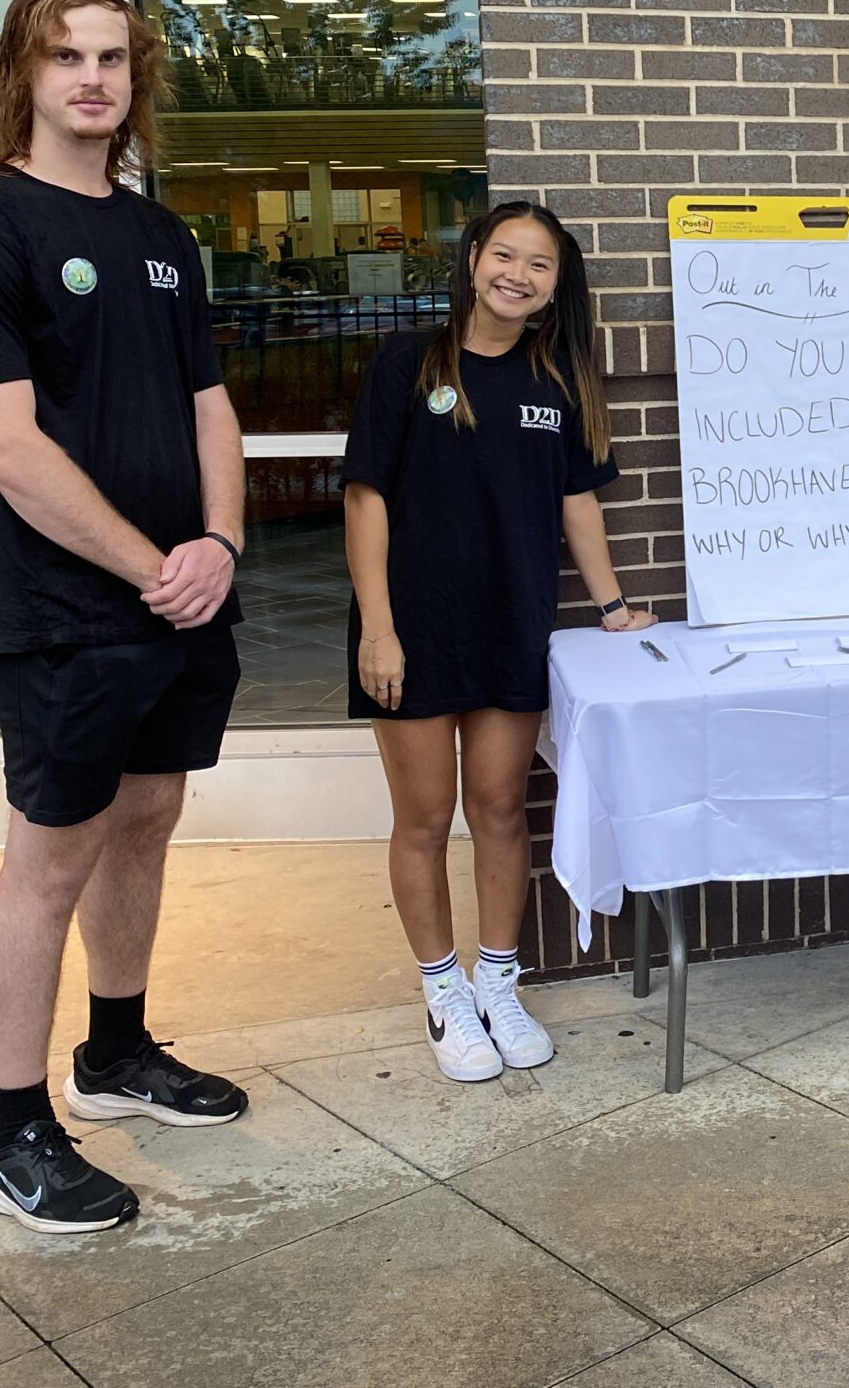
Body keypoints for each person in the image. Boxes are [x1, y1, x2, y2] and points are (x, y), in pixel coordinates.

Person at [0, 0, 250, 1235]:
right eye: (67, 57)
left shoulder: (160, 236)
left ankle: (114, 1052)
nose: (93, 79)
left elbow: (207, 405)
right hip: (64, 605)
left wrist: (216, 540)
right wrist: (148, 563)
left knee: (150, 816)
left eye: (112, 58)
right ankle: (8, 1132)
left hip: (181, 597)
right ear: (27, 72)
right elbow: (4, 442)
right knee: (47, 859)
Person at [342, 201, 654, 1082]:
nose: (517, 273)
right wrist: (379, 628)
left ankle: (499, 983)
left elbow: (577, 505)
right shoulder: (407, 363)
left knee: (501, 809)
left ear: (557, 288)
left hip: (512, 624)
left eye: (540, 265)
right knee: (426, 817)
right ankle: (444, 993)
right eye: (504, 254)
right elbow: (365, 497)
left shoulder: (557, 382)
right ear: (473, 258)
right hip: (410, 631)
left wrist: (614, 606)